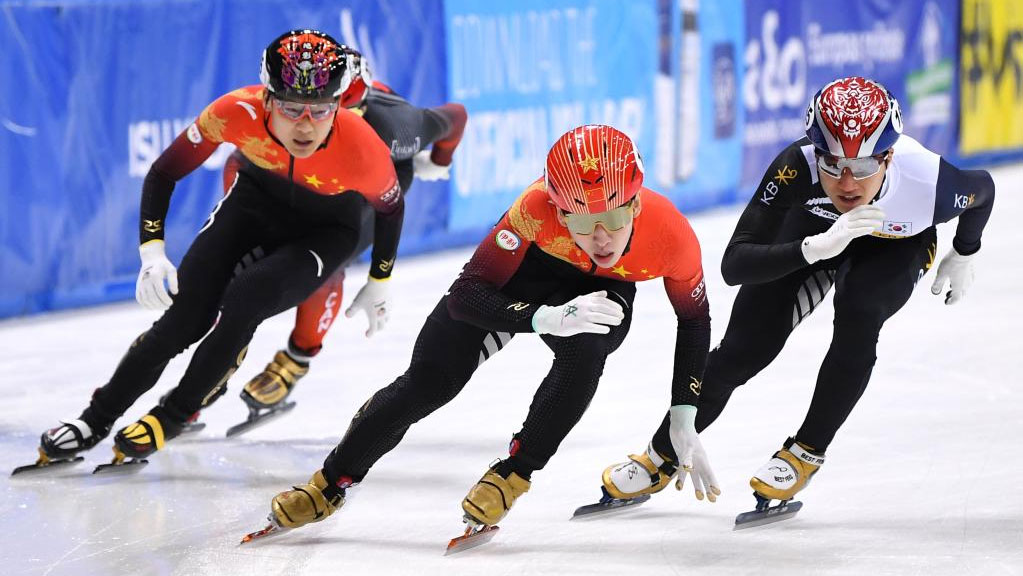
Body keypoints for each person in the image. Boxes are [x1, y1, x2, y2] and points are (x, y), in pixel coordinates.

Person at [254, 124, 719, 538]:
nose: (600, 238)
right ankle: (331, 480)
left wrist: (683, 414)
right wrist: (542, 317)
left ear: (635, 203)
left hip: (604, 290)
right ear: (558, 210)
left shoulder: (670, 234)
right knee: (428, 384)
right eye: (580, 221)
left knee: (590, 344)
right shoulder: (536, 208)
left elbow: (694, 321)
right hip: (525, 280)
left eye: (614, 219)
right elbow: (466, 295)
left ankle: (514, 472)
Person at [599, 76, 996, 511]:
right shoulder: (795, 167)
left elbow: (984, 191)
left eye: (864, 167)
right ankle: (661, 455)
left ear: (888, 157)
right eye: (832, 165)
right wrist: (812, 248)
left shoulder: (929, 183)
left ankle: (806, 451)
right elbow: (734, 265)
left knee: (859, 309)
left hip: (896, 244)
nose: (847, 183)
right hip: (814, 234)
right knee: (742, 351)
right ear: (815, 154)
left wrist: (964, 250)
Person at [28, 29, 401, 468]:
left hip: (325, 230)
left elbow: (390, 211)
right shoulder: (233, 111)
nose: (304, 124)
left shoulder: (363, 147)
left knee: (247, 299)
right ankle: (95, 419)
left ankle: (174, 414)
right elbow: (165, 171)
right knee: (184, 317)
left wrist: (380, 279)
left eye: (320, 111)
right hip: (254, 206)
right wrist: (151, 250)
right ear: (265, 98)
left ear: (338, 104)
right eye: (290, 107)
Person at [230, 47, 467, 420]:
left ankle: (296, 359)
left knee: (325, 261)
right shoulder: (282, 116)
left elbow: (456, 117)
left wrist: (437, 161)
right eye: (304, 109)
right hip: (295, 178)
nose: (319, 128)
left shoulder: (397, 127)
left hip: (364, 187)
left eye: (336, 114)